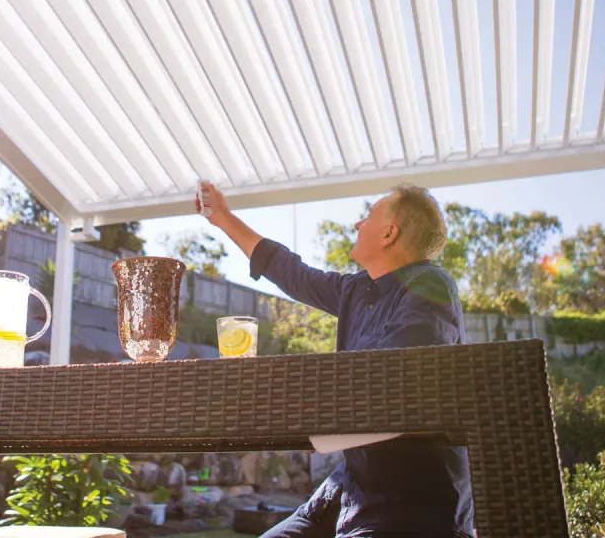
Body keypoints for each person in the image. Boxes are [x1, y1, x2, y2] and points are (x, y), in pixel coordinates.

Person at [199, 181, 474, 538]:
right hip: (347, 490)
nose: (358, 224)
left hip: (412, 503)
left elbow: (396, 379)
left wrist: (315, 420)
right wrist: (222, 218)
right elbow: (292, 273)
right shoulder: (356, 290)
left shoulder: (431, 284)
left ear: (388, 233)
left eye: (368, 216)